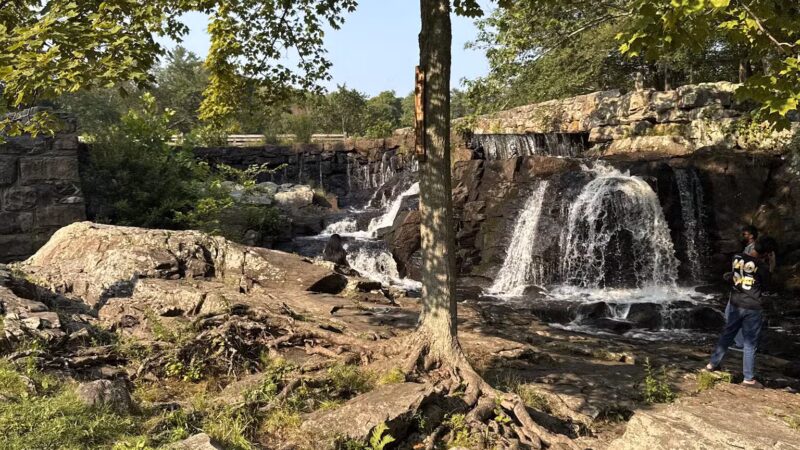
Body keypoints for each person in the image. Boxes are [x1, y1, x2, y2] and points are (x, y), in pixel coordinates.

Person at [706, 238, 774, 388]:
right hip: (753, 307)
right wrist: (771, 266)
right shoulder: (762, 266)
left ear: (753, 246)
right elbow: (768, 287)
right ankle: (748, 378)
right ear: (767, 254)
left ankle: (712, 364)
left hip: (736, 303)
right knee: (750, 343)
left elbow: (733, 275)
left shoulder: (736, 257)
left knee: (728, 334)